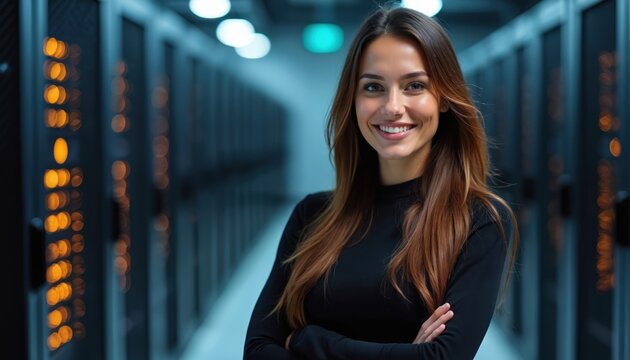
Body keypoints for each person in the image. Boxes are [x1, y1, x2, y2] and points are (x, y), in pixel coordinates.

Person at [244, 5, 518, 360]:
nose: (392, 106)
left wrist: (307, 341)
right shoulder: (312, 215)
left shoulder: (478, 221)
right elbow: (257, 350)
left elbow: (442, 357)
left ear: (444, 100)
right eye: (373, 87)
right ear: (354, 101)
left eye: (415, 86)